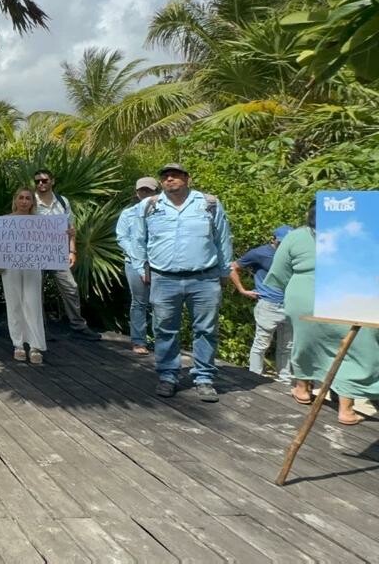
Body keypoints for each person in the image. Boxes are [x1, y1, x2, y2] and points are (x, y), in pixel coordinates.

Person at [128, 164, 233, 402]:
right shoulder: (150, 205)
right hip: (164, 278)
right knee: (164, 330)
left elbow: (223, 238)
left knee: (206, 330)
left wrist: (224, 271)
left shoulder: (208, 203)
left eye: (175, 175)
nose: (170, 179)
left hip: (204, 278)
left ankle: (204, 378)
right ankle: (168, 376)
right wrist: (140, 267)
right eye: (165, 177)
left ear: (187, 178)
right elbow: (138, 239)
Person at [266, 203, 378, 425]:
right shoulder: (360, 234)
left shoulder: (296, 236)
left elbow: (278, 273)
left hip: (304, 295)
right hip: (349, 292)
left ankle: (302, 389)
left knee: (306, 341)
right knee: (353, 348)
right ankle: (346, 409)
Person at [31, 169, 101, 341]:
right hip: (35, 254)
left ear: (52, 181)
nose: (41, 183)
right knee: (35, 292)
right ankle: (40, 330)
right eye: (37, 181)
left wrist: (72, 250)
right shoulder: (30, 201)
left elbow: (70, 229)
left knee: (71, 288)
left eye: (44, 180)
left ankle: (78, 326)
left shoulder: (62, 201)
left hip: (57, 253)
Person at [231, 226, 294, 383]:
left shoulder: (294, 254)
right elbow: (233, 267)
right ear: (273, 239)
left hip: (291, 305)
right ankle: (254, 377)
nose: (284, 246)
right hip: (268, 305)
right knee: (261, 344)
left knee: (287, 347)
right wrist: (242, 290)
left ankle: (284, 381)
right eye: (281, 242)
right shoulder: (259, 253)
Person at [0, 189, 47, 364]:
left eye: (28, 198)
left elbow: (50, 242)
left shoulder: (41, 222)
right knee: (14, 304)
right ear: (15, 200)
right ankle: (18, 344)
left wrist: (67, 236)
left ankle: (35, 346)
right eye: (21, 198)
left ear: (33, 202)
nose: (24, 201)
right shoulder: (4, 221)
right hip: (10, 266)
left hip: (33, 265)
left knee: (33, 303)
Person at [115, 178, 160, 355]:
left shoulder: (165, 213)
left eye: (149, 191)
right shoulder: (128, 214)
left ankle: (161, 341)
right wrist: (139, 256)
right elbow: (122, 238)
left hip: (160, 263)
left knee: (160, 303)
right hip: (134, 263)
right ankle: (139, 341)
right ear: (136, 193)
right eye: (141, 191)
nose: (145, 194)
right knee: (139, 302)